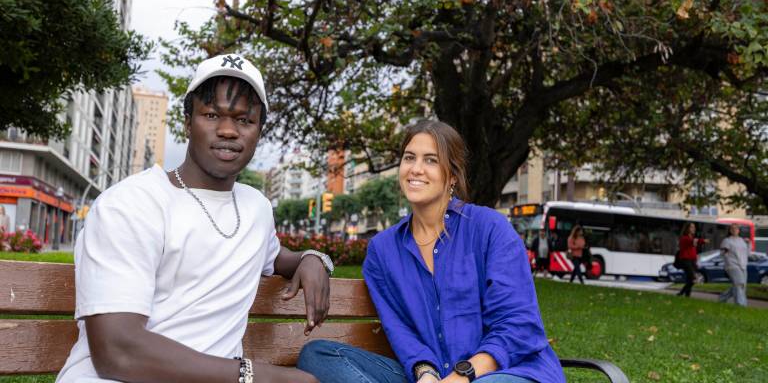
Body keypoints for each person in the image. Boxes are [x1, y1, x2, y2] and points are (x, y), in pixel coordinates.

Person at [56, 54, 332, 383]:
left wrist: (313, 259)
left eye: (245, 120)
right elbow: (117, 353)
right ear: (188, 122)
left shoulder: (256, 208)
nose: (229, 130)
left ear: (259, 132)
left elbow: (280, 259)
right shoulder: (131, 204)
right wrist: (255, 377)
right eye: (212, 114)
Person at [297, 120, 564, 383]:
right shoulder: (382, 251)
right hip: (433, 375)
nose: (416, 169)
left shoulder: (490, 228)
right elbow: (400, 330)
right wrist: (425, 372)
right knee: (317, 356)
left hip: (507, 372)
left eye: (431, 160)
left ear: (453, 176)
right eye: (409, 157)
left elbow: (518, 324)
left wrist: (462, 377)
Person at [718, 224, 749, 307]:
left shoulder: (742, 241)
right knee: (739, 283)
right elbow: (722, 253)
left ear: (739, 230)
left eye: (736, 228)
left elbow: (747, 253)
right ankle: (740, 305)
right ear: (730, 231)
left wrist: (748, 243)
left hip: (743, 265)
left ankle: (722, 298)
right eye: (732, 229)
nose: (734, 230)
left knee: (741, 285)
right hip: (732, 265)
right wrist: (725, 252)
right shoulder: (727, 241)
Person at [676, 222, 707, 297]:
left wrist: (695, 262)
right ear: (687, 229)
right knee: (693, 278)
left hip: (692, 261)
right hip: (686, 261)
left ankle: (687, 296)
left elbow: (693, 245)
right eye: (692, 227)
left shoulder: (691, 238)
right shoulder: (684, 238)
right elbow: (692, 242)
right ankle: (680, 293)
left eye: (694, 227)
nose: (694, 229)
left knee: (690, 279)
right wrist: (702, 241)